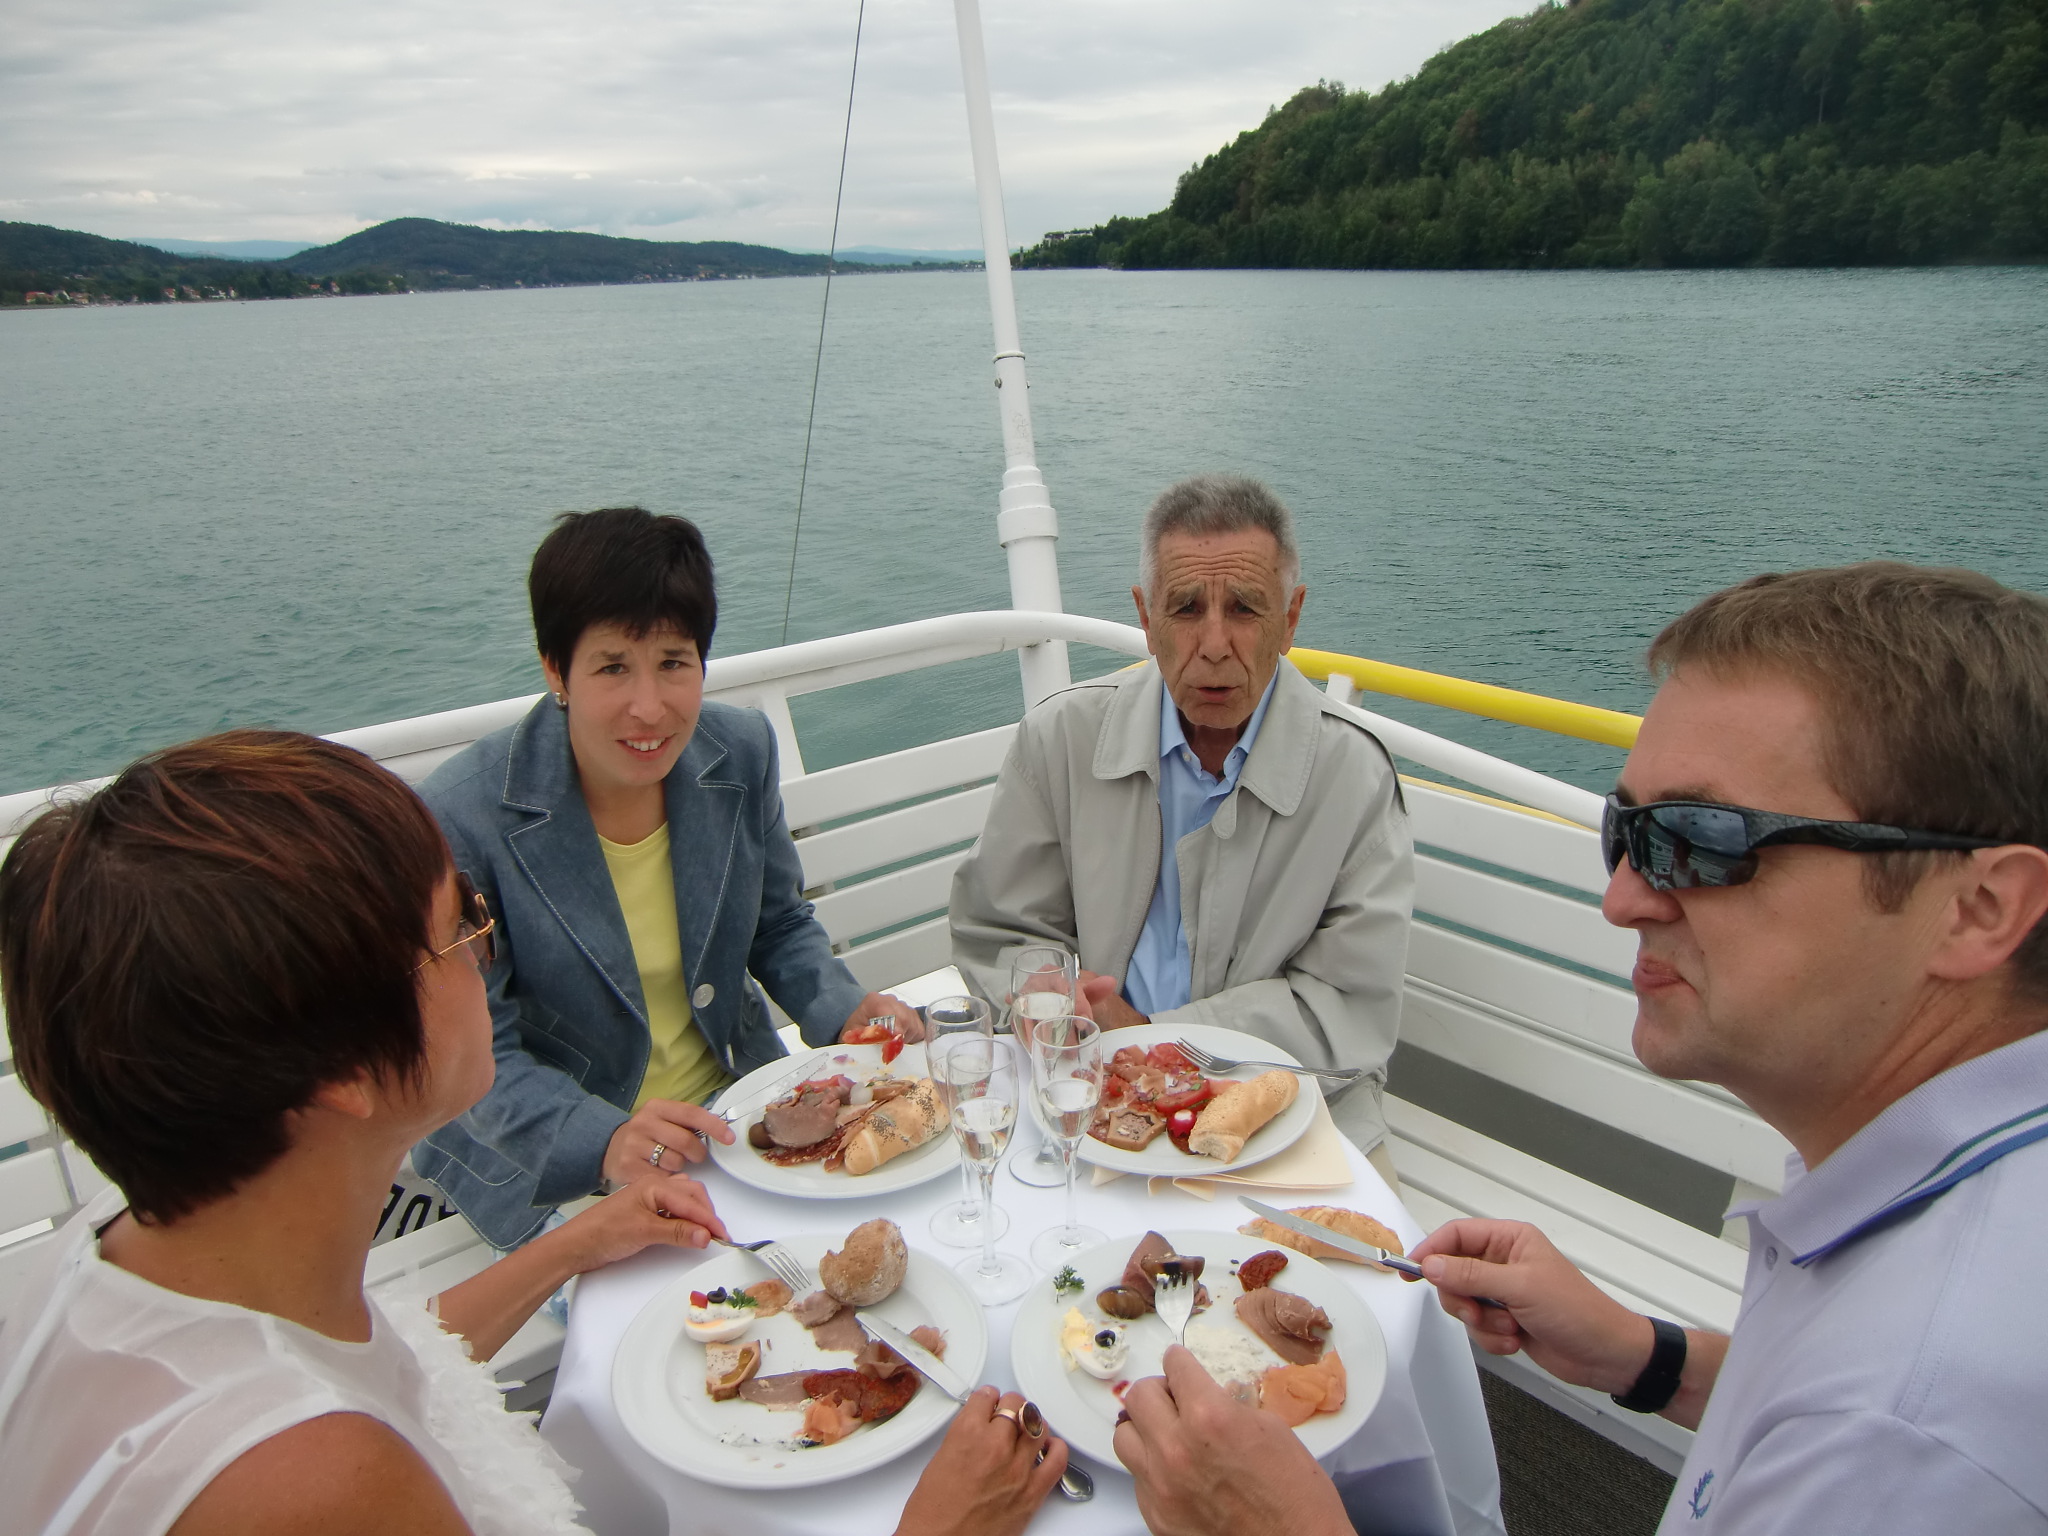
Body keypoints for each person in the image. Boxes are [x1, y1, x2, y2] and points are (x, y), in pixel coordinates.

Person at [1113, 563, 2048, 1534]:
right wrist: (1651, 1359)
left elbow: (1868, 1425)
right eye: (1625, 831)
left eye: (1699, 839)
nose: (1623, 898)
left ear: (1978, 907)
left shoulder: (1911, 1440)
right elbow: (1810, 1389)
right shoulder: (1918, 1179)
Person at [0, 730, 1067, 1536]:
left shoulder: (126, 1258)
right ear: (344, 1077)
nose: (486, 948)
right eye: (459, 928)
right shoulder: (317, 1486)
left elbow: (380, 1363)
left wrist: (573, 1244)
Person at [415, 507, 922, 1248]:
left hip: (734, 1112)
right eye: (612, 666)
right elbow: (474, 1054)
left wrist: (844, 1010)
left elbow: (778, 923)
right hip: (558, 1160)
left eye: (674, 663)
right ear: (556, 669)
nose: (649, 707)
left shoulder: (738, 752)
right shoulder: (462, 818)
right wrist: (604, 1140)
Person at [950, 473, 1414, 1169]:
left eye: (1246, 609)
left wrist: (1155, 1037)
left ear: (1291, 620)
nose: (1215, 644)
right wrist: (1042, 993)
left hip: (1285, 1106)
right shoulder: (1062, 740)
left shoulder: (1354, 778)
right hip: (1085, 1086)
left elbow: (1347, 1007)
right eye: (1186, 608)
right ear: (1146, 617)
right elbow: (1002, 929)